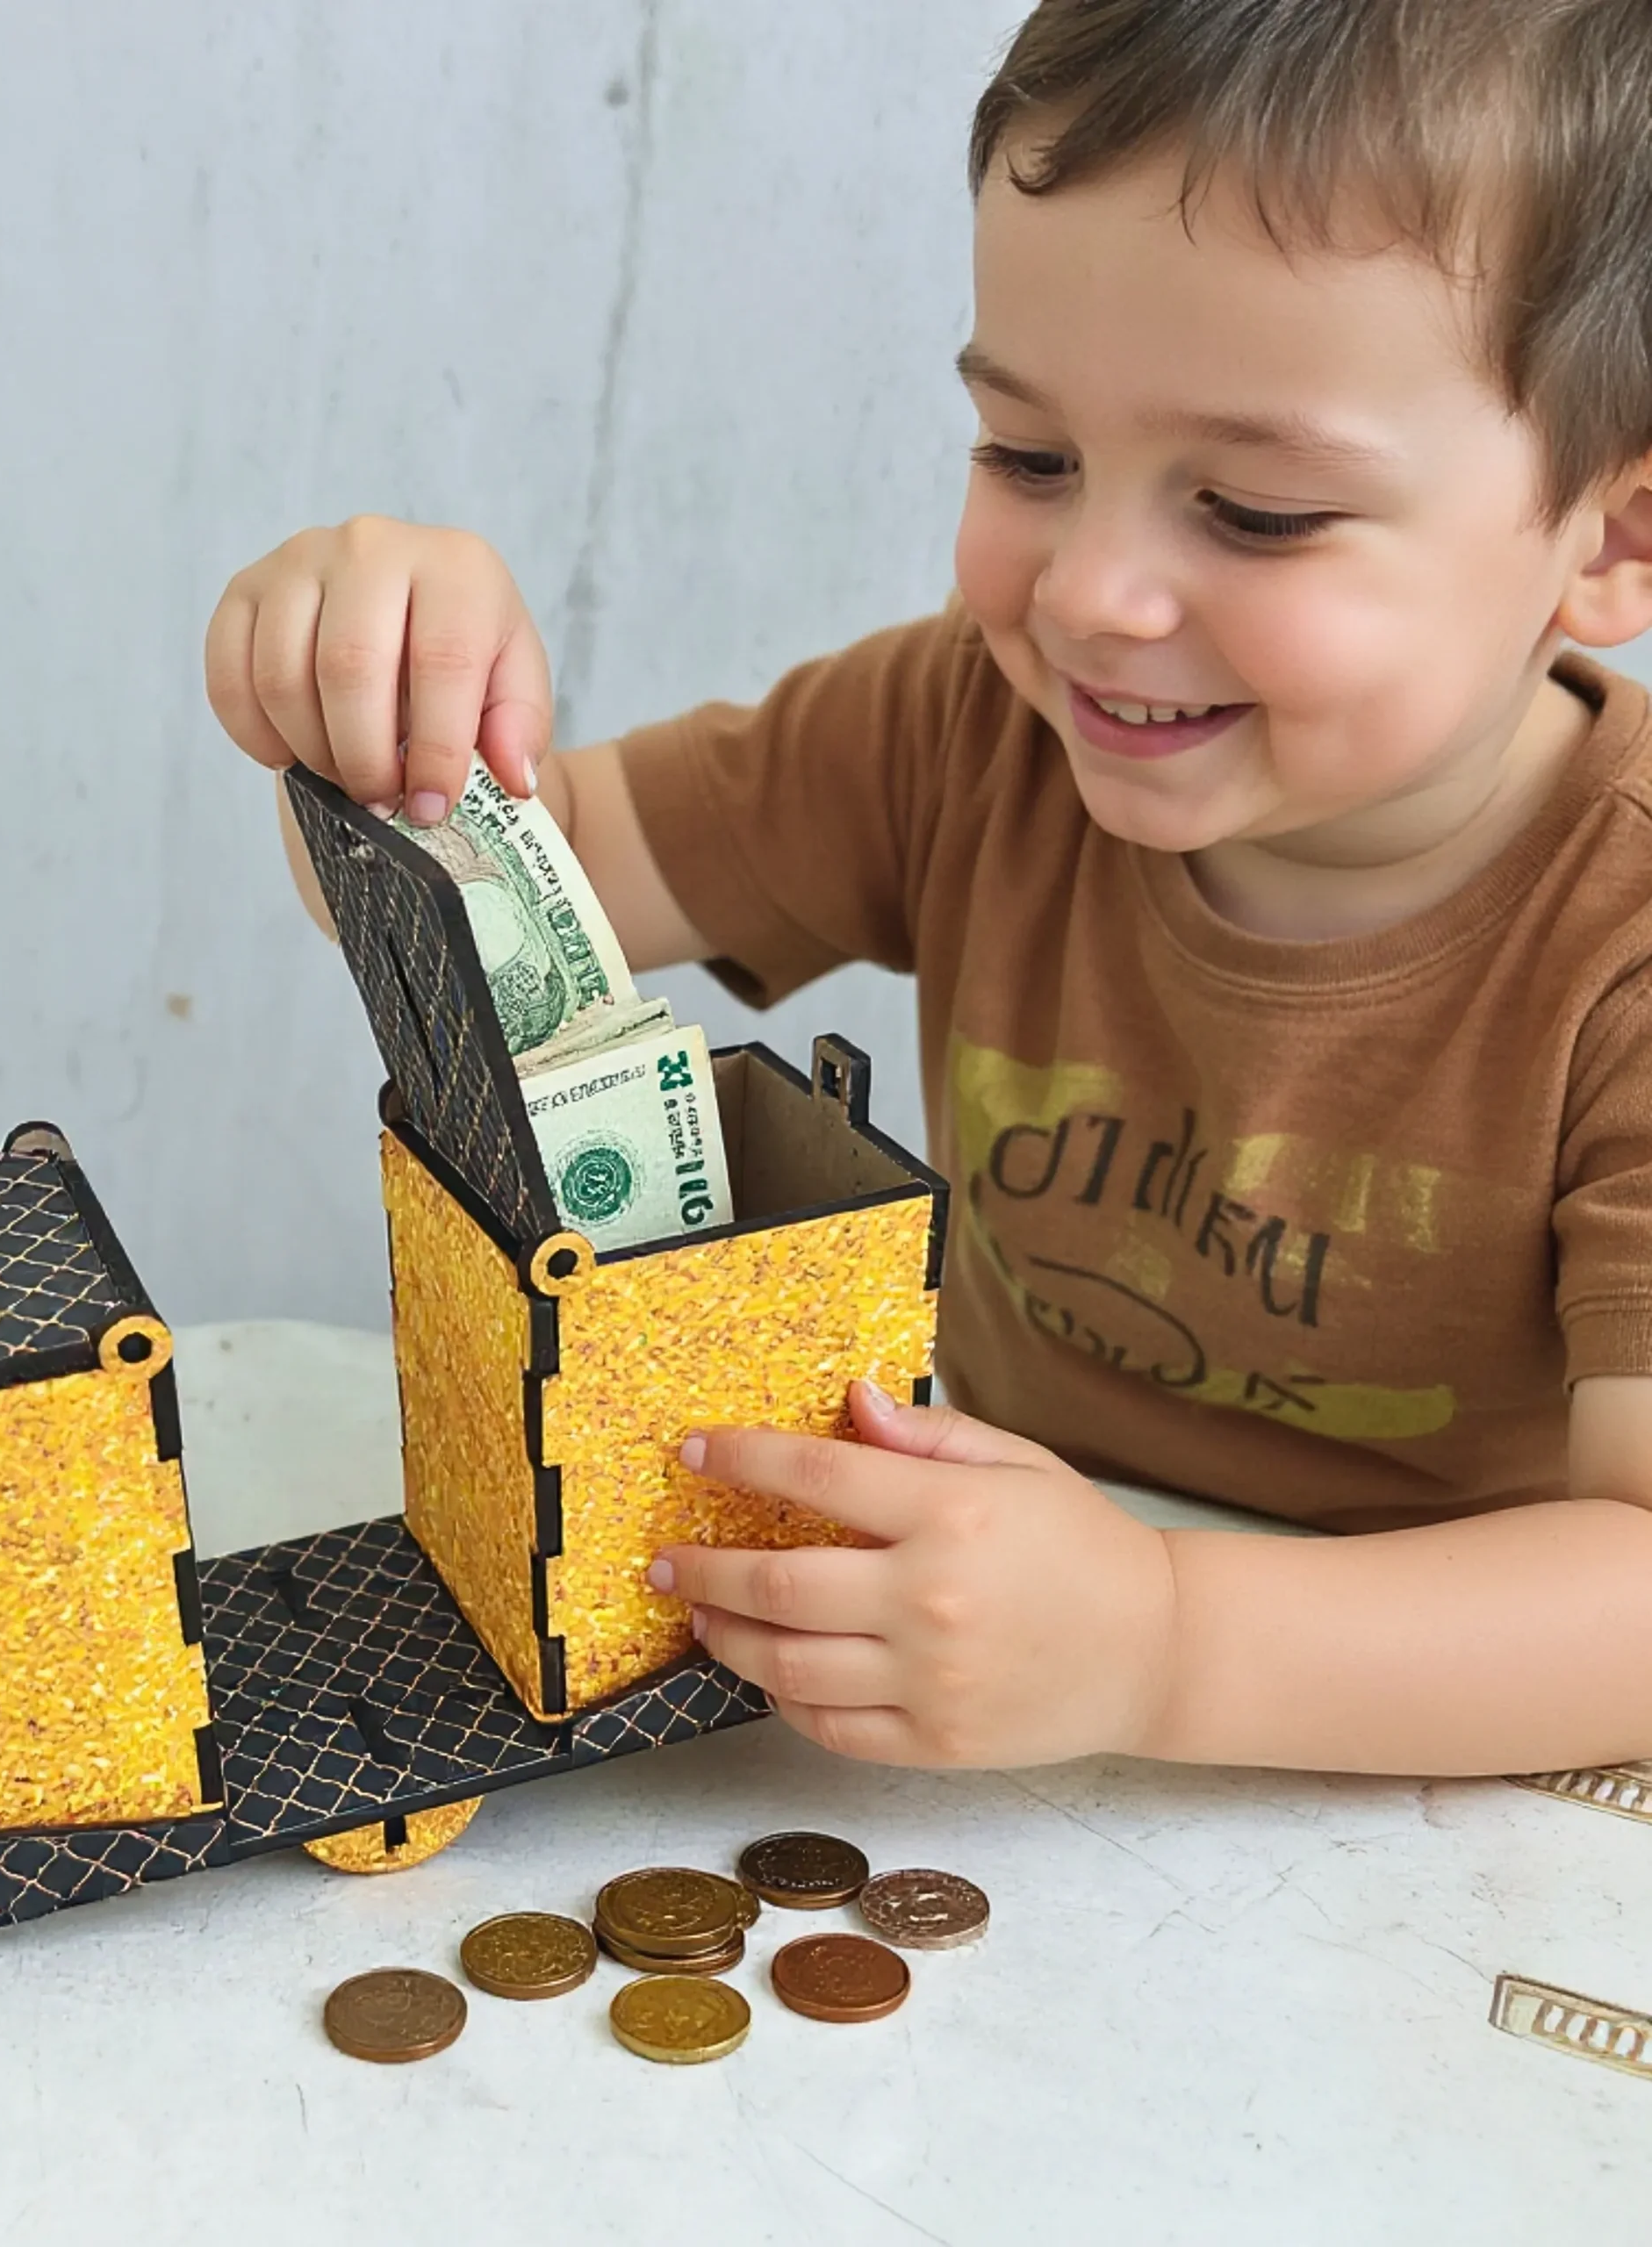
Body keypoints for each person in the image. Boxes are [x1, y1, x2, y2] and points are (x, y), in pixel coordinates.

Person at [204, 0, 1652, 1776]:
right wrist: (365, 708)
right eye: (1028, 459)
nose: (1089, 591)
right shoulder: (956, 732)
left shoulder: (1622, 940)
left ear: (1609, 535)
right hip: (993, 1699)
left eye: (1256, 509)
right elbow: (459, 899)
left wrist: (1161, 1643)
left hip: (1432, 1764)